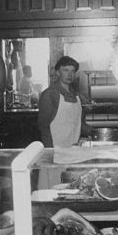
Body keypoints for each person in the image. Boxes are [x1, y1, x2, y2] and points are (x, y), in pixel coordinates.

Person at [36, 56, 89, 189]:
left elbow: (77, 124)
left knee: (70, 190)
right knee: (52, 190)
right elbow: (43, 126)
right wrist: (50, 153)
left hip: (72, 153)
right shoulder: (50, 95)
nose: (69, 74)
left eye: (72, 71)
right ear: (57, 72)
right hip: (55, 154)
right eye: (65, 70)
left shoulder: (76, 95)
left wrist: (97, 134)